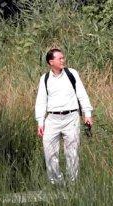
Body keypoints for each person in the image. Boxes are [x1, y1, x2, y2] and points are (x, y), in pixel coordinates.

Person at [35, 48, 93, 185]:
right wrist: (40, 122)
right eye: (59, 58)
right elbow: (41, 101)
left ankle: (72, 183)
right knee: (49, 152)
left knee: (72, 152)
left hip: (71, 117)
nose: (63, 60)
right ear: (51, 62)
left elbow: (81, 94)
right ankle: (56, 183)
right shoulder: (45, 79)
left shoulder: (72, 73)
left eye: (63, 58)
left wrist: (87, 113)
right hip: (52, 119)